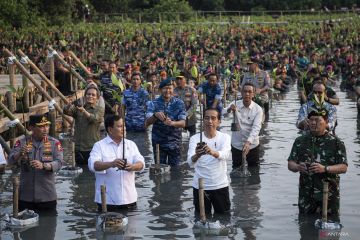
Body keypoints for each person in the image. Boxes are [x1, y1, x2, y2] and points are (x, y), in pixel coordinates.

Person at [288, 109, 347, 215]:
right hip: (306, 196)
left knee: (329, 228)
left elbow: (343, 167)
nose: (314, 123)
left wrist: (325, 168)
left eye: (317, 120)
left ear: (326, 121)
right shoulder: (300, 141)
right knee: (305, 227)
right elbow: (290, 164)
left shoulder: (336, 142)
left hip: (328, 195)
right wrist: (298, 167)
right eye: (311, 120)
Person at [88, 115, 145, 212]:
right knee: (107, 226)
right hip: (107, 202)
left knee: (131, 227)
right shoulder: (99, 146)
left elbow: (141, 163)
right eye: (119, 126)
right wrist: (111, 164)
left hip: (129, 200)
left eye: (124, 126)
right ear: (110, 130)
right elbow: (93, 165)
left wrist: (132, 167)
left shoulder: (131, 144)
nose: (124, 129)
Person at [8, 114, 63, 211]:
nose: (45, 129)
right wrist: (20, 154)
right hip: (25, 197)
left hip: (47, 196)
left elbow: (59, 163)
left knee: (48, 225)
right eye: (41, 126)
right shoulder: (21, 142)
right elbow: (11, 160)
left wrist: (44, 165)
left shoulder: (54, 143)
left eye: (47, 125)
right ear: (31, 127)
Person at [187, 108, 231, 216]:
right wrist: (197, 155)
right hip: (200, 187)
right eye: (206, 118)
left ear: (219, 121)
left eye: (213, 118)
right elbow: (190, 162)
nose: (210, 121)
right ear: (203, 121)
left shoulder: (225, 137)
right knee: (201, 218)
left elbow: (225, 154)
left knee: (224, 218)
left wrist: (211, 152)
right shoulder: (195, 138)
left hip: (220, 185)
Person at [145, 78, 186, 166]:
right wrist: (155, 115)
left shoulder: (179, 103)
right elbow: (147, 122)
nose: (167, 91)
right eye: (165, 88)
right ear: (160, 90)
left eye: (170, 88)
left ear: (173, 89)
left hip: (175, 143)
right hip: (159, 144)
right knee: (159, 170)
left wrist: (172, 123)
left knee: (176, 171)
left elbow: (183, 123)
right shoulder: (153, 103)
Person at [223, 82, 263, 168]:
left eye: (250, 92)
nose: (247, 94)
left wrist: (248, 142)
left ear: (253, 94)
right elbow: (223, 114)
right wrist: (230, 109)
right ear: (241, 93)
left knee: (254, 169)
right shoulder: (235, 103)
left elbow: (256, 128)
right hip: (237, 144)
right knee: (236, 168)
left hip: (252, 145)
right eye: (245, 91)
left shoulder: (258, 109)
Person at [64, 85, 104, 165]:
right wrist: (68, 105)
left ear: (97, 98)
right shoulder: (79, 108)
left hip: (92, 148)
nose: (90, 96)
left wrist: (84, 111)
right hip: (78, 147)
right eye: (88, 94)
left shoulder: (99, 109)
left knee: (91, 173)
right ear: (85, 96)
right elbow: (66, 111)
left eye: (93, 95)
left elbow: (94, 119)